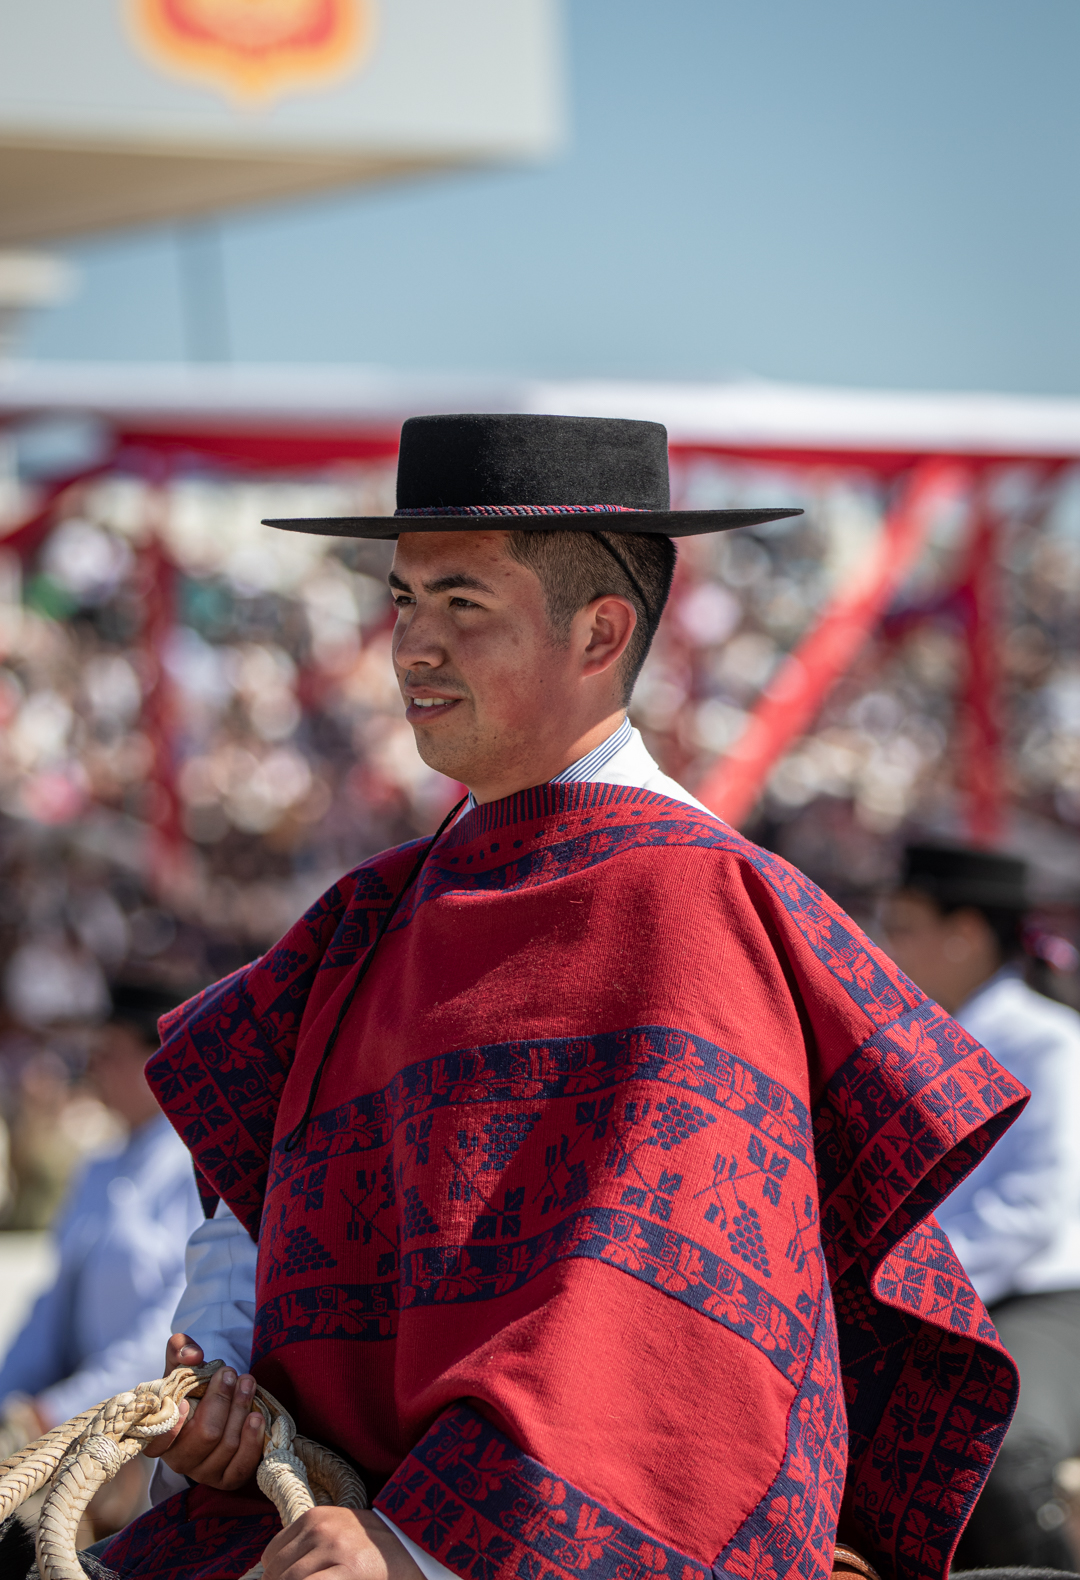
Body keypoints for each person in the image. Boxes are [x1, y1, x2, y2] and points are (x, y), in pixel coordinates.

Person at [99, 416, 1028, 1580]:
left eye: (462, 606)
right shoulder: (364, 915)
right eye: (402, 601)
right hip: (325, 1519)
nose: (410, 648)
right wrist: (222, 1399)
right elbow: (252, 1207)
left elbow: (656, 1322)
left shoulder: (699, 908)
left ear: (601, 631)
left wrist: (415, 1548)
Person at [883, 843, 1080, 1572]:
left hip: (1044, 1301)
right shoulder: (906, 1038)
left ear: (965, 934)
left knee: (995, 1448)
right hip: (924, 1298)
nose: (882, 945)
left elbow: (1031, 1210)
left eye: (902, 926)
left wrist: (903, 1277)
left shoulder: (1048, 1041)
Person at [0, 985, 203, 1535]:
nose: (94, 1065)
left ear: (153, 1062)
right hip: (69, 1424)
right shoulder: (97, 1167)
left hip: (145, 1434)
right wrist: (11, 1400)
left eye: (109, 1051)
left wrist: (57, 1410)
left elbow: (174, 1319)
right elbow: (51, 1303)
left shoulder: (195, 1167)